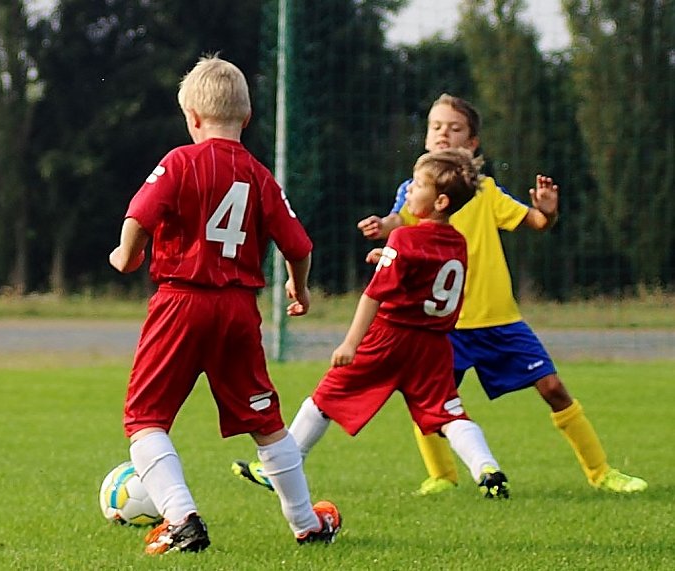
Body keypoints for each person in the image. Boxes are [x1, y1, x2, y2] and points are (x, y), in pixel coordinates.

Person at [356, 93, 647, 496]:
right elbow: (399, 221)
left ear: (472, 143)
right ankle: (442, 476)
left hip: (499, 320)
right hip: (444, 327)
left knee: (553, 389)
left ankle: (602, 473)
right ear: (425, 138)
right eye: (436, 127)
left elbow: (537, 222)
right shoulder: (415, 188)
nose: (444, 134)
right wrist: (382, 228)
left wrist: (548, 211)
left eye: (454, 128)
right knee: (427, 401)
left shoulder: (485, 192)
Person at [109, 54, 341, 555]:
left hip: (180, 303)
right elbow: (300, 246)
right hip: (238, 310)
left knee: (145, 418)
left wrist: (126, 256)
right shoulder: (259, 176)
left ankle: (182, 518)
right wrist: (298, 288)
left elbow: (139, 216)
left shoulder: (179, 161)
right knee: (266, 422)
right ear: (248, 118)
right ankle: (307, 524)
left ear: (192, 116)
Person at [235, 148, 511, 499]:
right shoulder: (457, 241)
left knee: (324, 398)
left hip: (389, 338)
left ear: (440, 201)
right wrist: (390, 259)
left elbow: (373, 295)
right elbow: (428, 273)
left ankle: (281, 468)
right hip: (433, 345)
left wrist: (350, 343)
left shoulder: (404, 237)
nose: (409, 189)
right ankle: (486, 467)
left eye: (418, 185)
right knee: (447, 413)